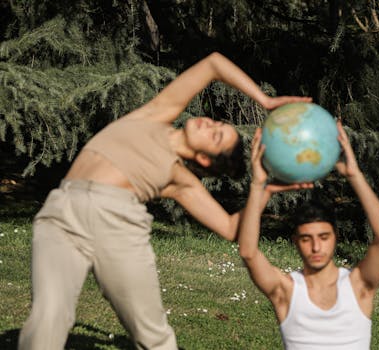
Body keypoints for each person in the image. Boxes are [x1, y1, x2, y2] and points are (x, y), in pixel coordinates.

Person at [18, 52, 311, 350]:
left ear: (203, 159)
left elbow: (231, 227)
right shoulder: (156, 113)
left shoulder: (179, 180)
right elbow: (213, 64)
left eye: (215, 136)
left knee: (152, 335)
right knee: (48, 317)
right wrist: (264, 100)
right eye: (216, 123)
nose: (210, 124)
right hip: (62, 213)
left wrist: (263, 187)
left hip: (119, 226)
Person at [238, 122, 379, 349]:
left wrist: (354, 175)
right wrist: (258, 186)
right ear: (296, 242)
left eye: (323, 237)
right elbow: (248, 252)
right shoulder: (287, 291)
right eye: (306, 239)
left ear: (335, 237)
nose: (315, 247)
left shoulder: (357, 286)